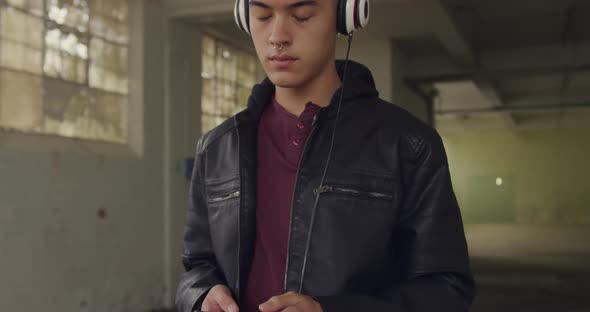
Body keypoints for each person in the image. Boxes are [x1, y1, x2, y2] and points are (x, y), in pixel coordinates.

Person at [176, 0, 475, 311]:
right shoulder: (217, 147)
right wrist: (202, 293)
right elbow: (197, 265)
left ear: (347, 14)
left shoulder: (409, 146)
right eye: (263, 15)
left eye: (301, 15)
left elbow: (446, 291)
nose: (277, 35)